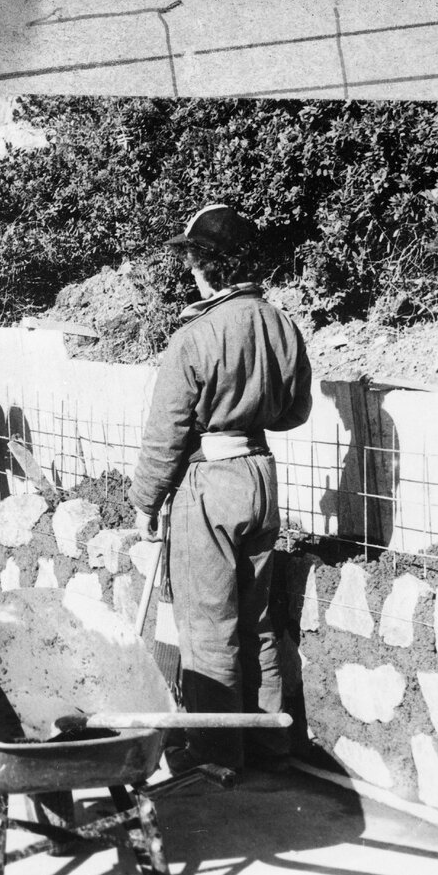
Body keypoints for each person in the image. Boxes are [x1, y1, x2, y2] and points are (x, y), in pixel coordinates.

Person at [129, 204, 313, 778]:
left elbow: (167, 434)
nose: (189, 270)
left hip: (209, 482)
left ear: (206, 265)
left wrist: (146, 500)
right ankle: (269, 743)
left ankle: (215, 754)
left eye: (191, 259)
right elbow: (296, 411)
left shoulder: (195, 335)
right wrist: (247, 415)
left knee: (209, 625)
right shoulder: (282, 324)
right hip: (261, 473)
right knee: (257, 617)